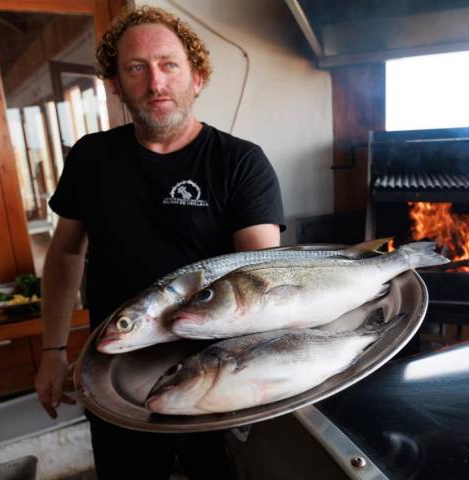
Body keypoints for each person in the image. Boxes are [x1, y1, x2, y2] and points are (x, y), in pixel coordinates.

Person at [34, 5, 284, 479]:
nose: (155, 83)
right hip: (113, 369)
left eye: (169, 65)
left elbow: (260, 277)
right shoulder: (91, 157)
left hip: (214, 370)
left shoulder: (240, 163)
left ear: (198, 76)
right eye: (136, 68)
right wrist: (51, 351)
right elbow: (67, 252)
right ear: (115, 84)